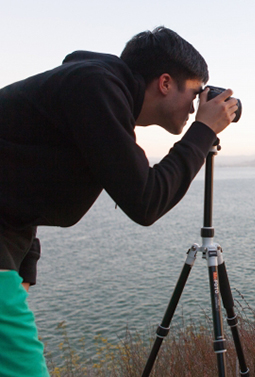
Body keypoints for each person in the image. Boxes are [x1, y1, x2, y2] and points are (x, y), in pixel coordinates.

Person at [0, 26, 239, 376]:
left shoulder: (94, 90)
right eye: (196, 92)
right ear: (165, 82)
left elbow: (23, 177)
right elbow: (146, 201)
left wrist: (25, 264)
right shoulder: (95, 86)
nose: (196, 105)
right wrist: (202, 132)